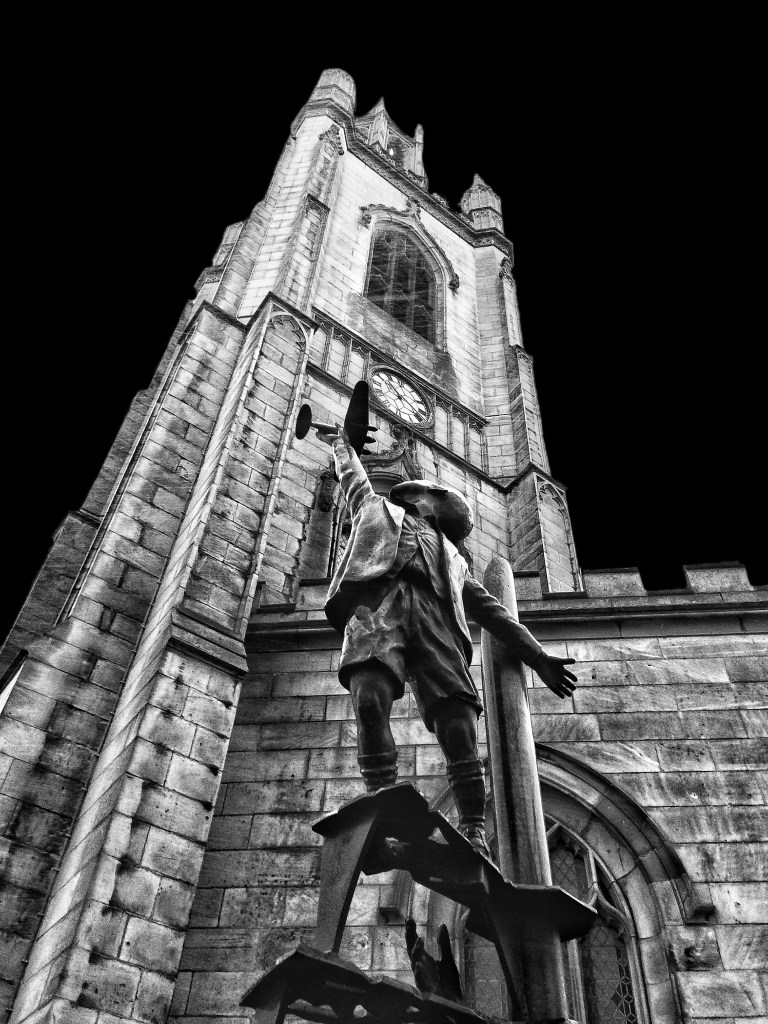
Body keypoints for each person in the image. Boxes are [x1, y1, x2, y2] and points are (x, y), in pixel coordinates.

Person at [319, 427, 577, 855]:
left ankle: (473, 829)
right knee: (369, 699)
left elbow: (494, 612)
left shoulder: (456, 561)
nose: (419, 495)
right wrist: (340, 443)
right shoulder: (375, 509)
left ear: (435, 508)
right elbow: (352, 478)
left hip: (437, 625)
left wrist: (538, 658)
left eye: (429, 494)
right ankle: (382, 796)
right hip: (380, 609)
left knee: (459, 727)